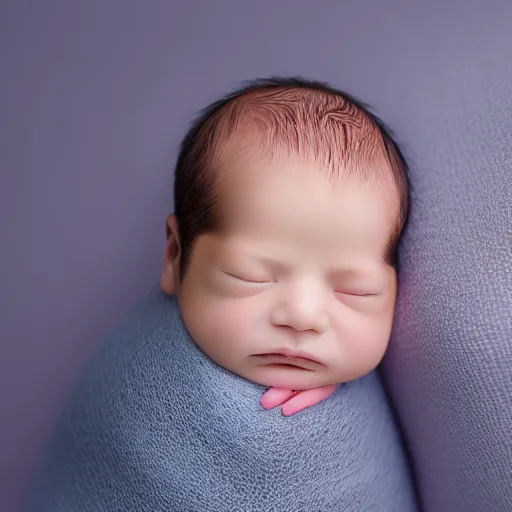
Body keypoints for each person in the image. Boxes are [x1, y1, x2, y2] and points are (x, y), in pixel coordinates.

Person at [161, 76, 409, 416]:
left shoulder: (391, 398)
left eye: (355, 291)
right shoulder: (145, 380)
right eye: (250, 276)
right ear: (175, 255)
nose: (302, 316)